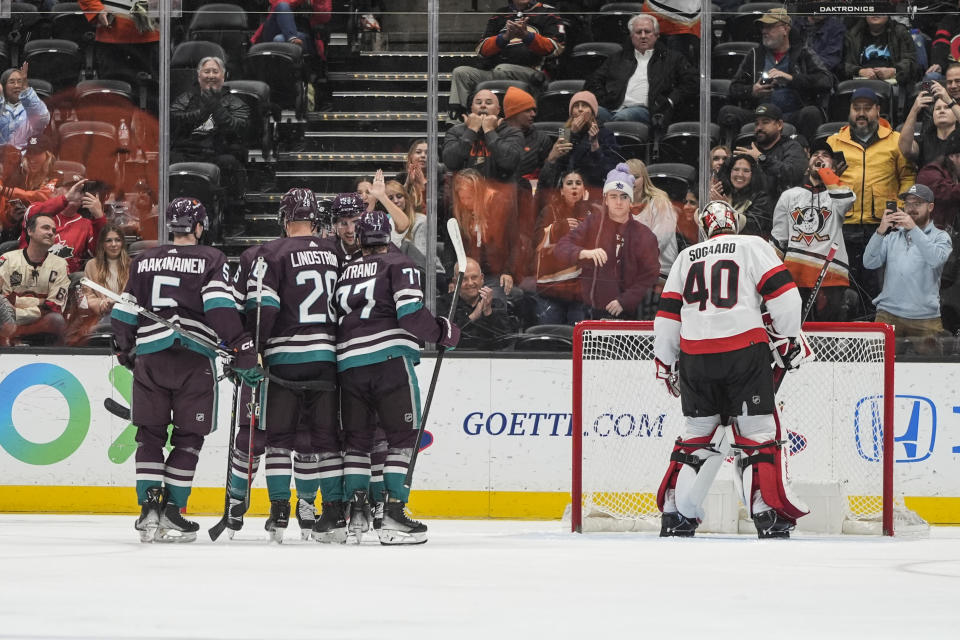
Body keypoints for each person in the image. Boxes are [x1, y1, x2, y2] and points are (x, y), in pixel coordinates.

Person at [111, 198, 262, 544]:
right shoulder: (211, 258)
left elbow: (124, 311)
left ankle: (149, 506)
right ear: (198, 227)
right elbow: (219, 306)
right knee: (188, 437)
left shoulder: (144, 259)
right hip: (193, 360)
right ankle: (173, 511)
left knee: (149, 435)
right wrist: (239, 344)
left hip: (150, 357)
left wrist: (124, 348)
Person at [653, 200, 806, 539]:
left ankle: (674, 513)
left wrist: (665, 363)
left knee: (696, 433)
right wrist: (786, 338)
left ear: (705, 228)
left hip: (695, 356)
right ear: (734, 223)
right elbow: (786, 297)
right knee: (756, 434)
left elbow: (665, 318)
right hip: (744, 353)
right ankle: (766, 513)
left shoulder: (685, 257)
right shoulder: (753, 245)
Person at [334, 209, 460, 544]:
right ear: (388, 235)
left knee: (358, 442)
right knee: (403, 438)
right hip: (389, 360)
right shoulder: (399, 263)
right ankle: (391, 512)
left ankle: (357, 510)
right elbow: (409, 314)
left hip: (348, 363)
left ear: (360, 239)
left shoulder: (345, 270)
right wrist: (442, 331)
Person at [241, 188, 342, 543]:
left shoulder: (271, 252)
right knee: (325, 441)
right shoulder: (335, 251)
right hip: (327, 357)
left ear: (284, 218)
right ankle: (330, 511)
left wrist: (256, 347)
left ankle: (280, 511)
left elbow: (264, 308)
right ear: (316, 218)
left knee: (280, 441)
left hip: (284, 357)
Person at [827, 87, 916, 310]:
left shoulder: (895, 140)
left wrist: (900, 207)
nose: (861, 113)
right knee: (845, 290)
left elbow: (907, 177)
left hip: (882, 227)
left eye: (867, 108)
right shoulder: (834, 142)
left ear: (878, 111)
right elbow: (824, 180)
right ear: (850, 111)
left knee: (878, 289)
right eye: (856, 108)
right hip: (844, 226)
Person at [554, 163, 660, 319]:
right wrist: (583, 253)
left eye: (624, 196)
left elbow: (650, 275)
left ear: (631, 201)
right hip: (590, 310)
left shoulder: (645, 235)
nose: (618, 202)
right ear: (606, 199)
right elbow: (561, 248)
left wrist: (625, 301)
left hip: (629, 314)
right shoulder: (592, 224)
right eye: (613, 196)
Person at [719, 8, 832, 146]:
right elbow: (734, 88)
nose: (764, 31)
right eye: (763, 27)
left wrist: (791, 79)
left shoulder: (803, 53)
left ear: (785, 29)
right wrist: (752, 90)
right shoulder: (755, 55)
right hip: (759, 116)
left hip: (792, 115)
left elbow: (826, 80)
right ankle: (732, 160)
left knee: (812, 113)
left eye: (770, 27)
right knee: (728, 112)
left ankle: (808, 155)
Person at [771, 141, 856, 322]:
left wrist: (827, 173)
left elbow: (847, 200)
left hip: (831, 277)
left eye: (825, 155)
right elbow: (779, 240)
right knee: (797, 334)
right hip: (795, 276)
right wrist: (772, 277)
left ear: (833, 165)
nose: (819, 157)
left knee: (828, 337)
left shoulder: (837, 194)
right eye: (815, 154)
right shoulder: (789, 195)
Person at [863, 184, 952, 355]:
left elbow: (935, 259)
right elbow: (869, 263)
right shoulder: (892, 237)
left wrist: (913, 228)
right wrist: (881, 230)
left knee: (933, 371)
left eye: (917, 203)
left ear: (931, 207)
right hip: (887, 313)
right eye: (908, 203)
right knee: (875, 368)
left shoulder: (941, 237)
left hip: (926, 317)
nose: (911, 208)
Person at [446, 1, 565, 120]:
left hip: (533, 74)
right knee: (461, 73)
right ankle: (461, 122)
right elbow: (481, 50)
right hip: (498, 70)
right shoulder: (500, 14)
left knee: (503, 69)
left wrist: (526, 36)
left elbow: (556, 47)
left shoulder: (548, 13)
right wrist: (505, 37)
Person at [170, 56, 251, 219]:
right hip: (186, 154)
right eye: (207, 71)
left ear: (224, 75)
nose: (211, 75)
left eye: (215, 71)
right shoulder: (185, 99)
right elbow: (173, 120)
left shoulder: (235, 102)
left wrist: (216, 107)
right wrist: (202, 113)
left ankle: (230, 218)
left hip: (218, 154)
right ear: (199, 75)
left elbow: (238, 128)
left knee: (230, 163)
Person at [585, 13, 697, 126]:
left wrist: (669, 101)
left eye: (647, 32)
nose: (643, 36)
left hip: (646, 110)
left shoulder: (673, 58)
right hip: (612, 108)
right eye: (638, 32)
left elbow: (692, 82)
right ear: (631, 36)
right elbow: (593, 80)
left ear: (656, 35)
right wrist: (605, 99)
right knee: (586, 114)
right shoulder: (617, 58)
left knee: (622, 117)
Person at [532, 170, 597, 324]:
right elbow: (535, 243)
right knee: (552, 341)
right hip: (551, 289)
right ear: (562, 190)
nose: (574, 187)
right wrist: (557, 229)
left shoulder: (593, 212)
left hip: (581, 292)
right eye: (569, 183)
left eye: (578, 183)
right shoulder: (549, 211)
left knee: (580, 340)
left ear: (584, 190)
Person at [449, 169, 524, 301]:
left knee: (490, 302)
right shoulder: (458, 211)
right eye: (462, 198)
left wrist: (509, 272)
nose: (466, 203)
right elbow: (450, 248)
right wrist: (451, 279)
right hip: (466, 275)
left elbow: (514, 243)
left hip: (495, 273)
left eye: (469, 198)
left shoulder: (500, 204)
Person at [0, 213, 70, 346]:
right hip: (7, 323)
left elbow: (55, 306)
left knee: (56, 319)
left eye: (53, 231)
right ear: (30, 231)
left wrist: (18, 308)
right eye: (45, 228)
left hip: (40, 323)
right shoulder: (7, 259)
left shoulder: (61, 264)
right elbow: (3, 302)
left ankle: (57, 360)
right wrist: (41, 301)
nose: (51, 233)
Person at [733, 103, 808, 216]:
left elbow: (793, 173)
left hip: (784, 214)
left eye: (765, 122)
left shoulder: (792, 147)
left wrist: (761, 158)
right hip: (751, 213)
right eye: (757, 123)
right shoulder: (749, 150)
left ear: (779, 125)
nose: (759, 127)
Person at [538, 90, 621, 193]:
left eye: (585, 106)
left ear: (592, 112)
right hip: (567, 189)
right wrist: (572, 134)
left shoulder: (605, 133)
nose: (580, 109)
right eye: (576, 106)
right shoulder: (565, 132)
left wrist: (595, 145)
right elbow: (561, 165)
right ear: (572, 112)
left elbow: (609, 170)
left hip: (593, 189)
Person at [19, 179, 107, 273]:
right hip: (28, 274)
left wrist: (99, 217)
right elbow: (32, 216)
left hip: (66, 280)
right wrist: (66, 198)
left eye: (81, 191)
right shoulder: (37, 209)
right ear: (55, 191)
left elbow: (99, 252)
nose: (76, 193)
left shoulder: (87, 224)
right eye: (70, 188)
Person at [64, 224, 130, 346]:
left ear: (122, 243)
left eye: (117, 240)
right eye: (109, 240)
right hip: (100, 315)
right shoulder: (92, 265)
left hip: (126, 313)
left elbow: (137, 294)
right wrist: (102, 304)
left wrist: (118, 303)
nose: (114, 244)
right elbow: (87, 296)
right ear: (102, 244)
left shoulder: (132, 265)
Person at [78, 0, 160, 94]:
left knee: (151, 98)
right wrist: (97, 10)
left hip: (151, 38)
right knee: (114, 100)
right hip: (113, 39)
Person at [442, 89, 524, 182]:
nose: (483, 105)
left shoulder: (511, 133)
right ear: (472, 109)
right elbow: (450, 162)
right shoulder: (455, 132)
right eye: (478, 103)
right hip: (465, 193)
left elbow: (509, 163)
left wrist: (489, 131)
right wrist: (471, 130)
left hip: (499, 193)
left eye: (489, 103)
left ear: (498, 110)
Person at [436, 258, 514, 349]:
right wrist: (473, 316)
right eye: (464, 279)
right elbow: (440, 340)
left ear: (482, 279)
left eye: (474, 277)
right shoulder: (443, 304)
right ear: (455, 282)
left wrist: (488, 313)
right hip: (454, 359)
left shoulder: (495, 304)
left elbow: (507, 342)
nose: (470, 283)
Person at [626, 158, 678, 282]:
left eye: (636, 177)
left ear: (644, 178)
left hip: (661, 272)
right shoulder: (621, 205)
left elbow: (660, 240)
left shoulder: (660, 201)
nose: (631, 181)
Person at [842, 14, 919, 87]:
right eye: (873, 9)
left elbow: (911, 63)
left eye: (880, 9)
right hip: (861, 83)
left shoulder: (900, 32)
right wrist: (859, 71)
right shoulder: (854, 33)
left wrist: (893, 71)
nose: (876, 13)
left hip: (893, 83)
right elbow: (844, 65)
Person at [899, 80, 960, 168]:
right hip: (929, 181)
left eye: (947, 107)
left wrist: (949, 101)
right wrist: (914, 110)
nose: (942, 111)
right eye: (938, 109)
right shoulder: (924, 139)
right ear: (933, 116)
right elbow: (905, 150)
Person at [711, 153, 772, 237]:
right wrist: (710, 203)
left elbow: (753, 228)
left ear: (753, 174)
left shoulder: (761, 198)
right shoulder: (721, 193)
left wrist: (727, 209)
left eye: (746, 171)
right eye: (736, 169)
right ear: (729, 172)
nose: (740, 174)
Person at [0, 64, 51, 150]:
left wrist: (26, 89)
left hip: (27, 157)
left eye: (20, 82)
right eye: (12, 82)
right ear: (4, 87)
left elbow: (43, 119)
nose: (16, 86)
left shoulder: (32, 108)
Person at [354, 170, 410, 245]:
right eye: (359, 193)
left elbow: (404, 225)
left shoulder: (385, 220)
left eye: (369, 192)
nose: (364, 197)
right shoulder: (347, 222)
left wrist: (382, 196)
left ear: (376, 198)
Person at [917, 136, 960, 230]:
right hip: (930, 235)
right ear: (953, 156)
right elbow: (947, 192)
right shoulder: (930, 172)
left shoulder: (955, 174)